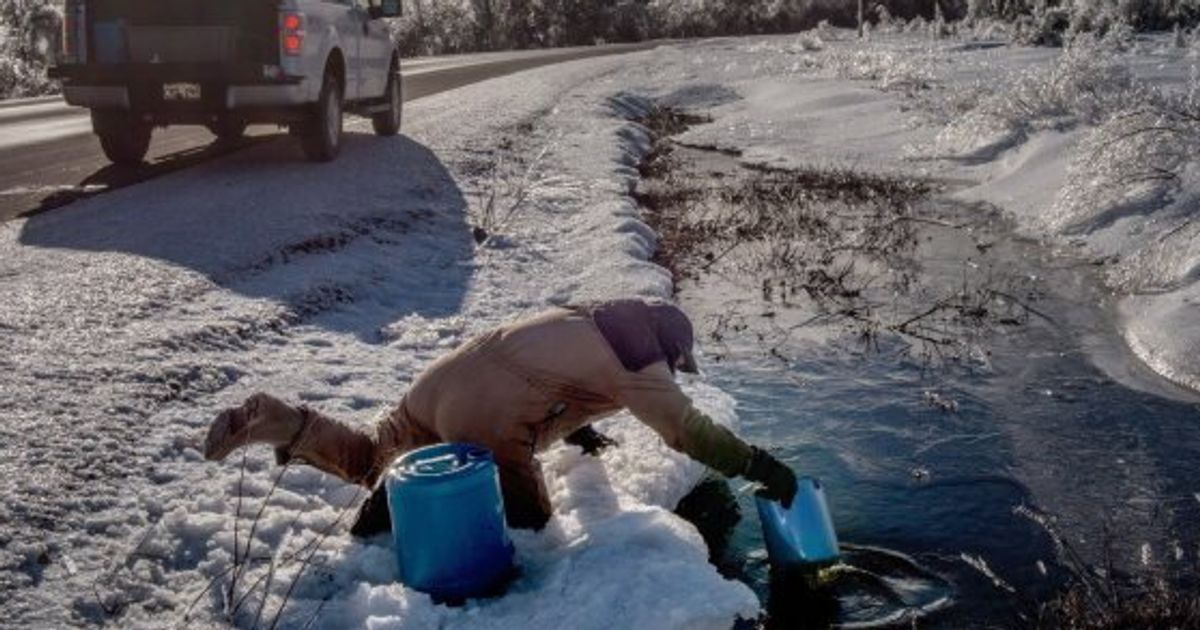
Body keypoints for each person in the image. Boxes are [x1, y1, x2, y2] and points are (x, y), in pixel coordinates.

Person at [204, 298, 797, 534]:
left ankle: (279, 420)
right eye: (675, 362)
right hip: (488, 415)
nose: (671, 369)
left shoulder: (589, 315)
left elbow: (554, 375)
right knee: (532, 524)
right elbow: (688, 430)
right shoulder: (641, 360)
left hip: (442, 379)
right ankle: (397, 506)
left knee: (367, 454)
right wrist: (761, 466)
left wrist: (580, 429)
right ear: (669, 349)